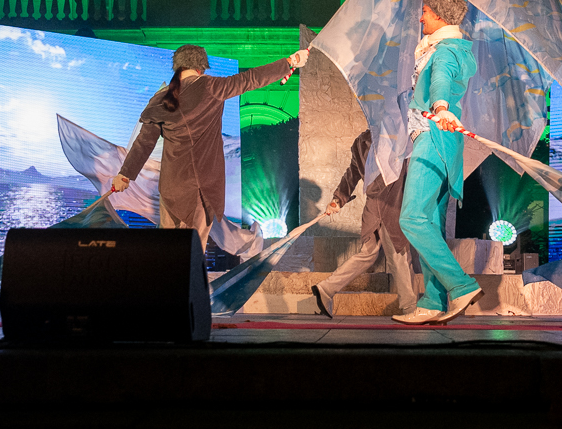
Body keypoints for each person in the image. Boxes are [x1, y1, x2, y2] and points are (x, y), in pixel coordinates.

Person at [110, 44, 308, 249]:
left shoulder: (161, 98)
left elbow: (144, 143)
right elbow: (251, 79)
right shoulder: (212, 87)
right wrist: (290, 62)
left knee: (167, 251)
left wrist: (125, 175)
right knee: (193, 253)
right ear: (201, 67)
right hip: (201, 189)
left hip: (172, 189)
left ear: (178, 68)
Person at [392, 0, 482, 324]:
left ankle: (460, 285)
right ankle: (432, 301)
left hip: (433, 135)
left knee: (411, 218)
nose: (420, 17)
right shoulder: (449, 46)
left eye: (426, 13)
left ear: (440, 17)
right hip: (439, 140)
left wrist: (441, 107)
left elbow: (441, 80)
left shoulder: (442, 52)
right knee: (428, 221)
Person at [311, 128, 418, 317]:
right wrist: (338, 199)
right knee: (399, 255)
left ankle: (326, 288)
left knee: (368, 254)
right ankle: (411, 309)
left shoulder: (363, 140)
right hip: (391, 205)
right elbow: (354, 173)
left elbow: (351, 174)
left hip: (375, 207)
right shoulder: (395, 137)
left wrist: (339, 199)